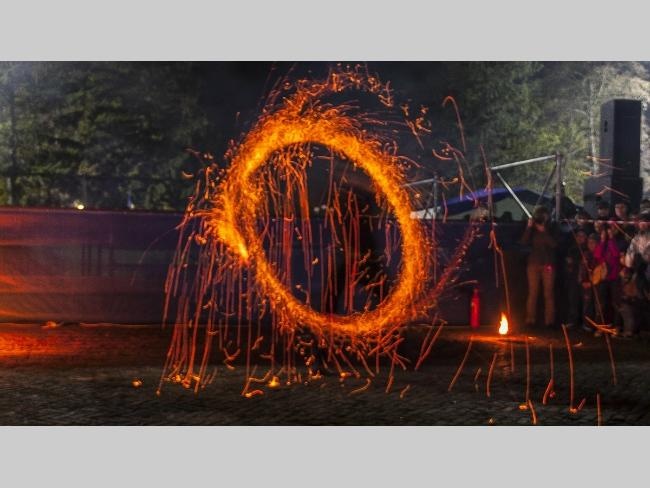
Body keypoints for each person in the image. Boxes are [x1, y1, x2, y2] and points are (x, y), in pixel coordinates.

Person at [521, 206, 557, 328]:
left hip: (547, 264)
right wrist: (528, 227)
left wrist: (544, 231)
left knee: (549, 293)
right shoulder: (532, 230)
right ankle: (530, 319)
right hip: (533, 264)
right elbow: (523, 242)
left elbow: (554, 244)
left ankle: (549, 321)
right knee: (533, 292)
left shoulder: (552, 228)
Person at [564, 229, 588, 329]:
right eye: (578, 236)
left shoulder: (587, 249)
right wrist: (569, 264)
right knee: (573, 300)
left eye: (582, 236)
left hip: (585, 278)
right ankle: (573, 321)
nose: (580, 238)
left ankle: (586, 323)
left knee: (586, 302)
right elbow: (568, 264)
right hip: (573, 278)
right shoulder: (572, 249)